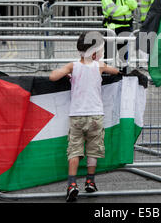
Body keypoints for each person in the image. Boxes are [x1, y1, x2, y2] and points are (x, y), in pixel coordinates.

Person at [49, 31, 119, 202]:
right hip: (96, 115)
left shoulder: (73, 66)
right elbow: (116, 71)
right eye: (101, 50)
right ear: (94, 53)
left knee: (74, 149)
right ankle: (90, 181)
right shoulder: (100, 66)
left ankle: (72, 184)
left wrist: (66, 74)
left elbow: (52, 77)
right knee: (93, 149)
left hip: (77, 115)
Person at [101, 0, 137, 71]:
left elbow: (134, 5)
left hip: (125, 27)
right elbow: (112, 11)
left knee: (123, 51)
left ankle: (123, 71)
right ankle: (106, 72)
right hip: (112, 27)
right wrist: (127, 8)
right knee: (108, 51)